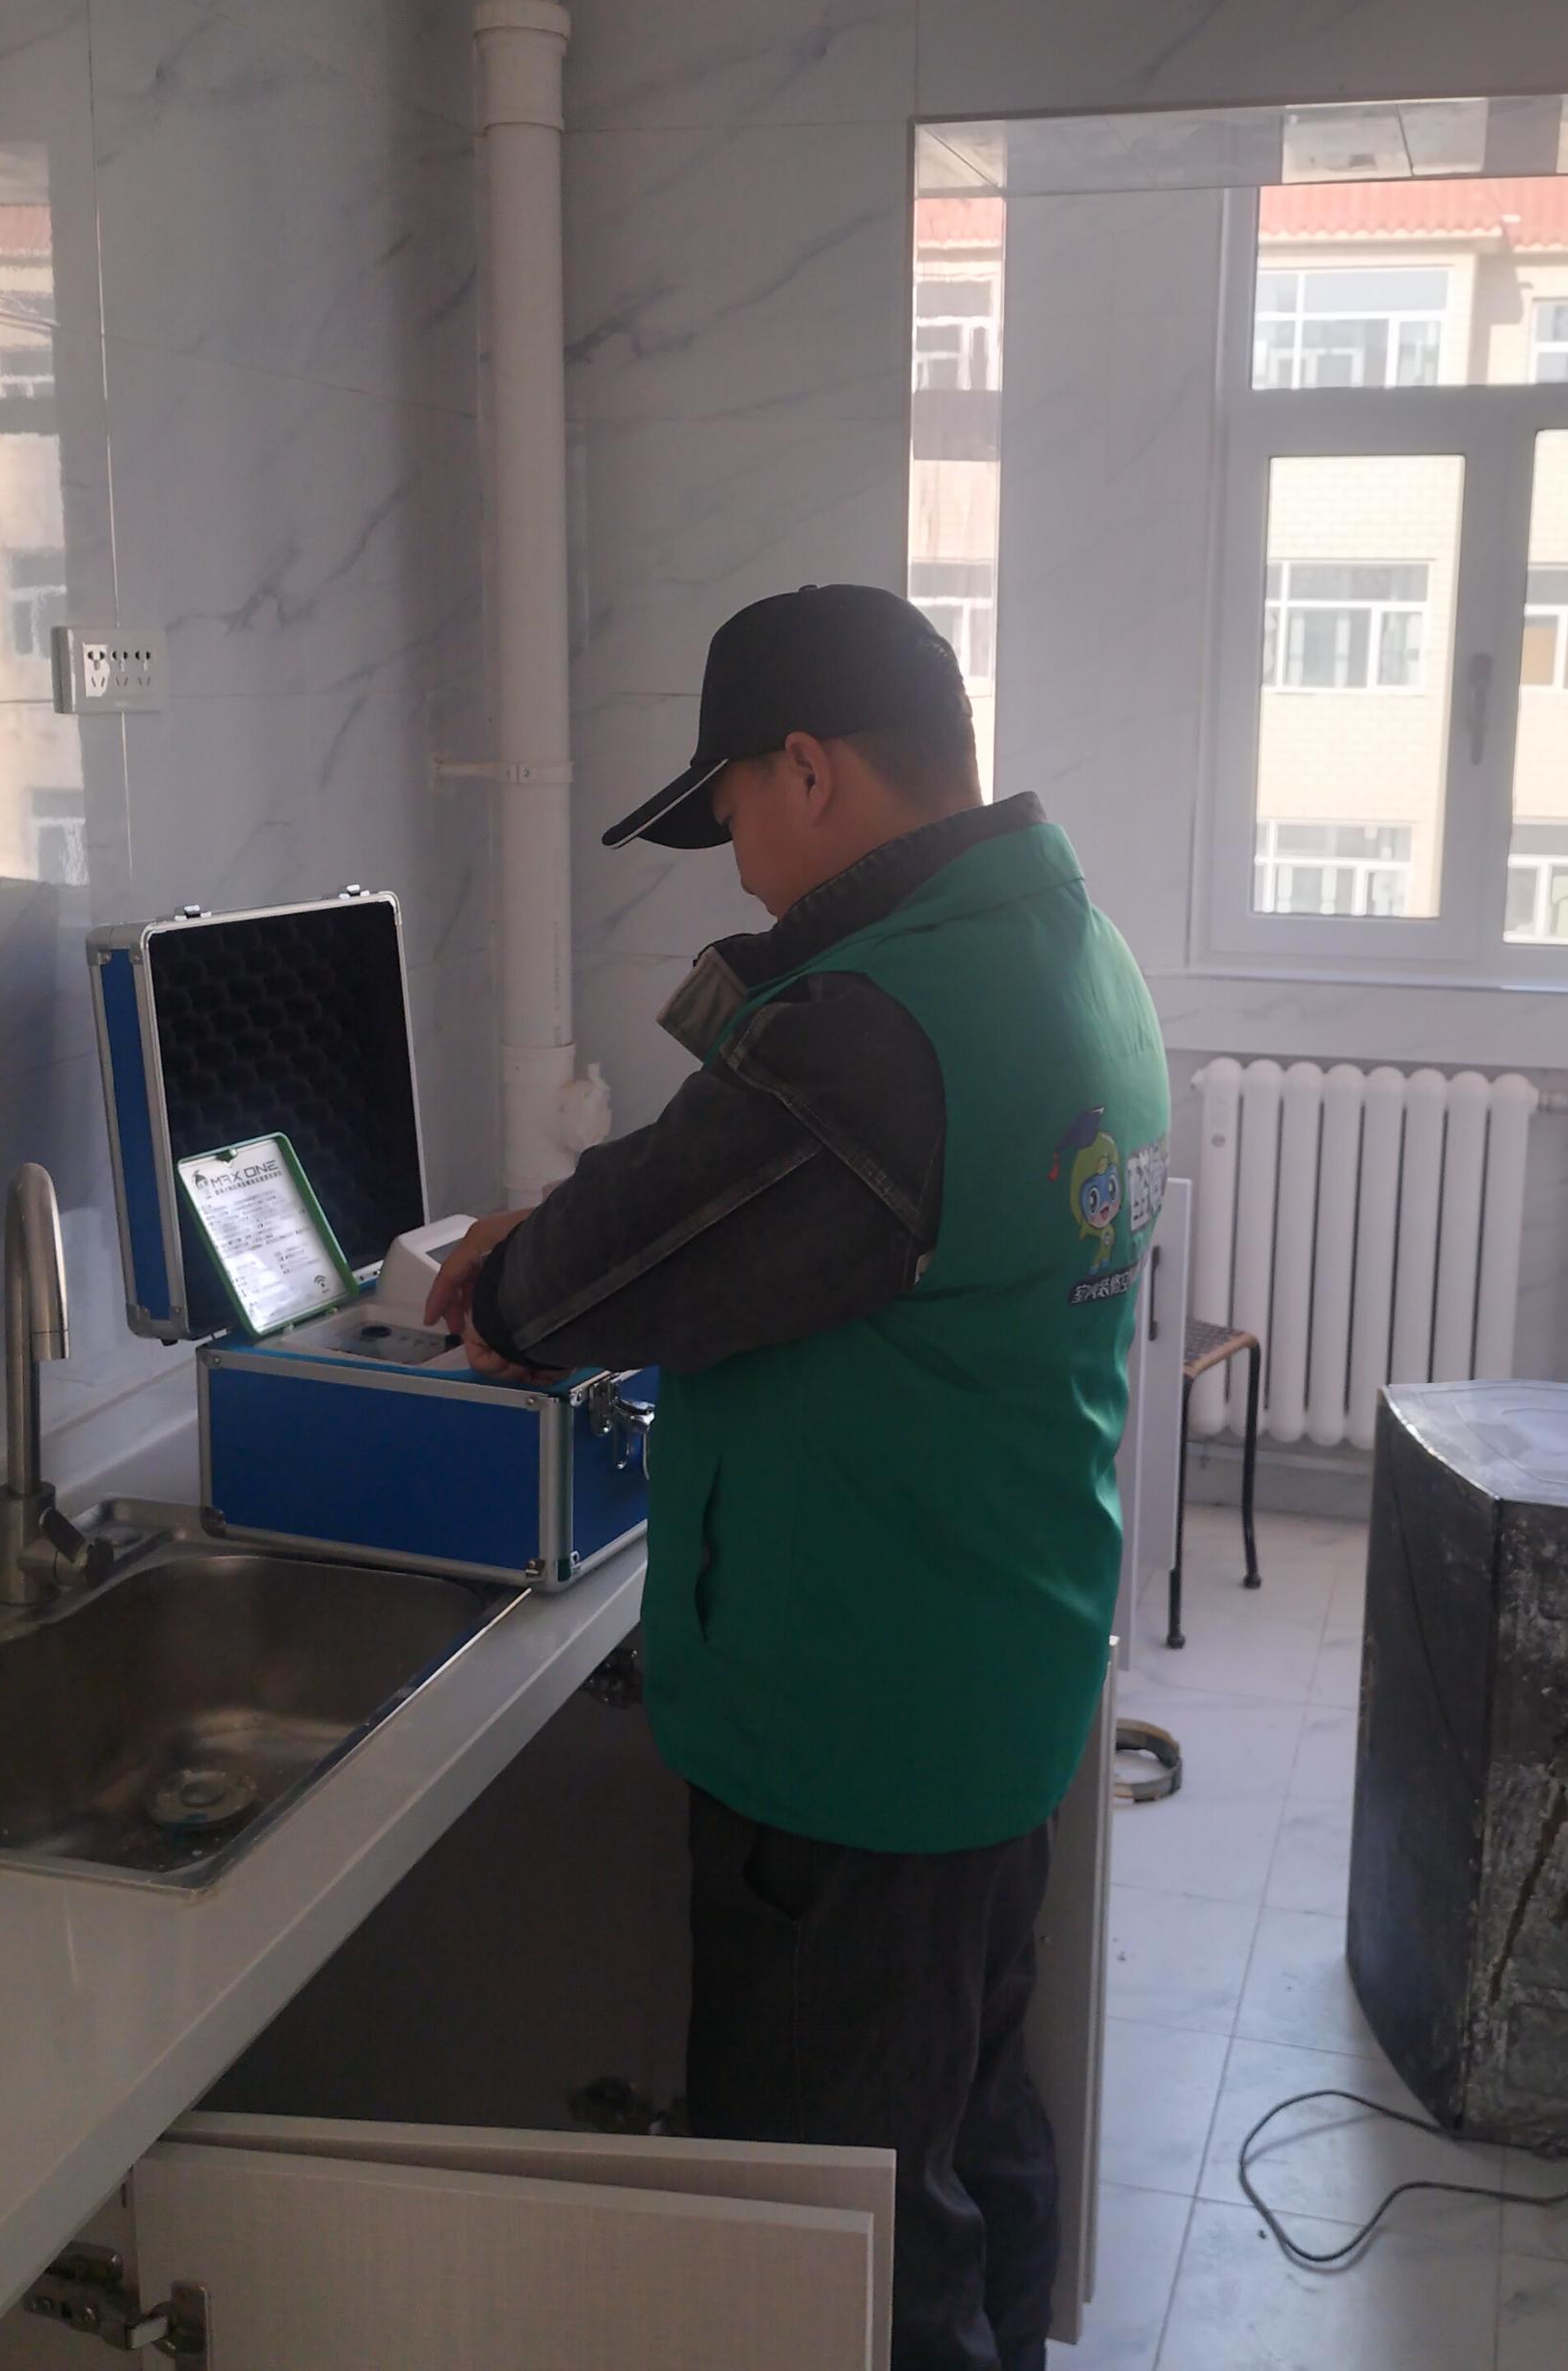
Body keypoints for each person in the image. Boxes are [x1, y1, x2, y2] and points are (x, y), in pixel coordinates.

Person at [426, 582, 1170, 2371]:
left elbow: (586, 1284)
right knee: (965, 2141)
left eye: (738, 812)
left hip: (857, 1741)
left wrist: (504, 1274)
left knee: (846, 2242)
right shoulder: (1069, 947)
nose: (746, 873)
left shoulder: (877, 1026)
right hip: (993, 1680)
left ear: (813, 770)